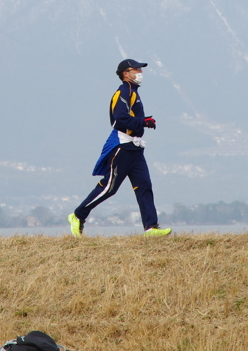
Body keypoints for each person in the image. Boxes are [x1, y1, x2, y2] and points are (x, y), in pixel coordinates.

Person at [68, 59, 171, 237]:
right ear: (126, 73)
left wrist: (143, 122)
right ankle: (78, 215)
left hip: (136, 148)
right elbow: (118, 119)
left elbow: (129, 118)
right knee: (109, 187)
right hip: (122, 146)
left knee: (144, 185)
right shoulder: (123, 91)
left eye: (140, 69)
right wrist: (143, 121)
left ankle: (151, 227)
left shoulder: (133, 92)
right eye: (136, 69)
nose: (140, 72)